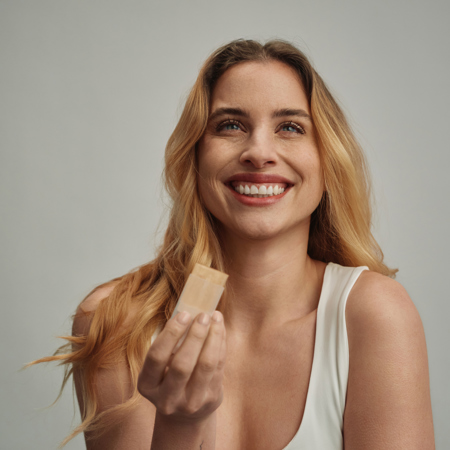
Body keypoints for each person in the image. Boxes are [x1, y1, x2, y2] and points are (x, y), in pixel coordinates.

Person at [32, 39, 435, 449]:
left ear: (327, 160)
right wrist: (180, 425)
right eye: (230, 125)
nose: (259, 152)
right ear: (195, 155)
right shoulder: (116, 321)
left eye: (290, 127)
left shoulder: (374, 315)